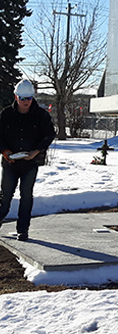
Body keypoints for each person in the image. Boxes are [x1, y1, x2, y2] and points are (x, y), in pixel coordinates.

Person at [0, 80, 56, 241]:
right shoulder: (6, 114)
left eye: (29, 98)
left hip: (30, 163)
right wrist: (5, 151)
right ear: (16, 97)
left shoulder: (41, 115)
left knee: (26, 195)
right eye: (22, 98)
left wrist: (36, 151)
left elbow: (49, 135)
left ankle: (23, 229)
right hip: (10, 163)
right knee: (5, 196)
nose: (26, 102)